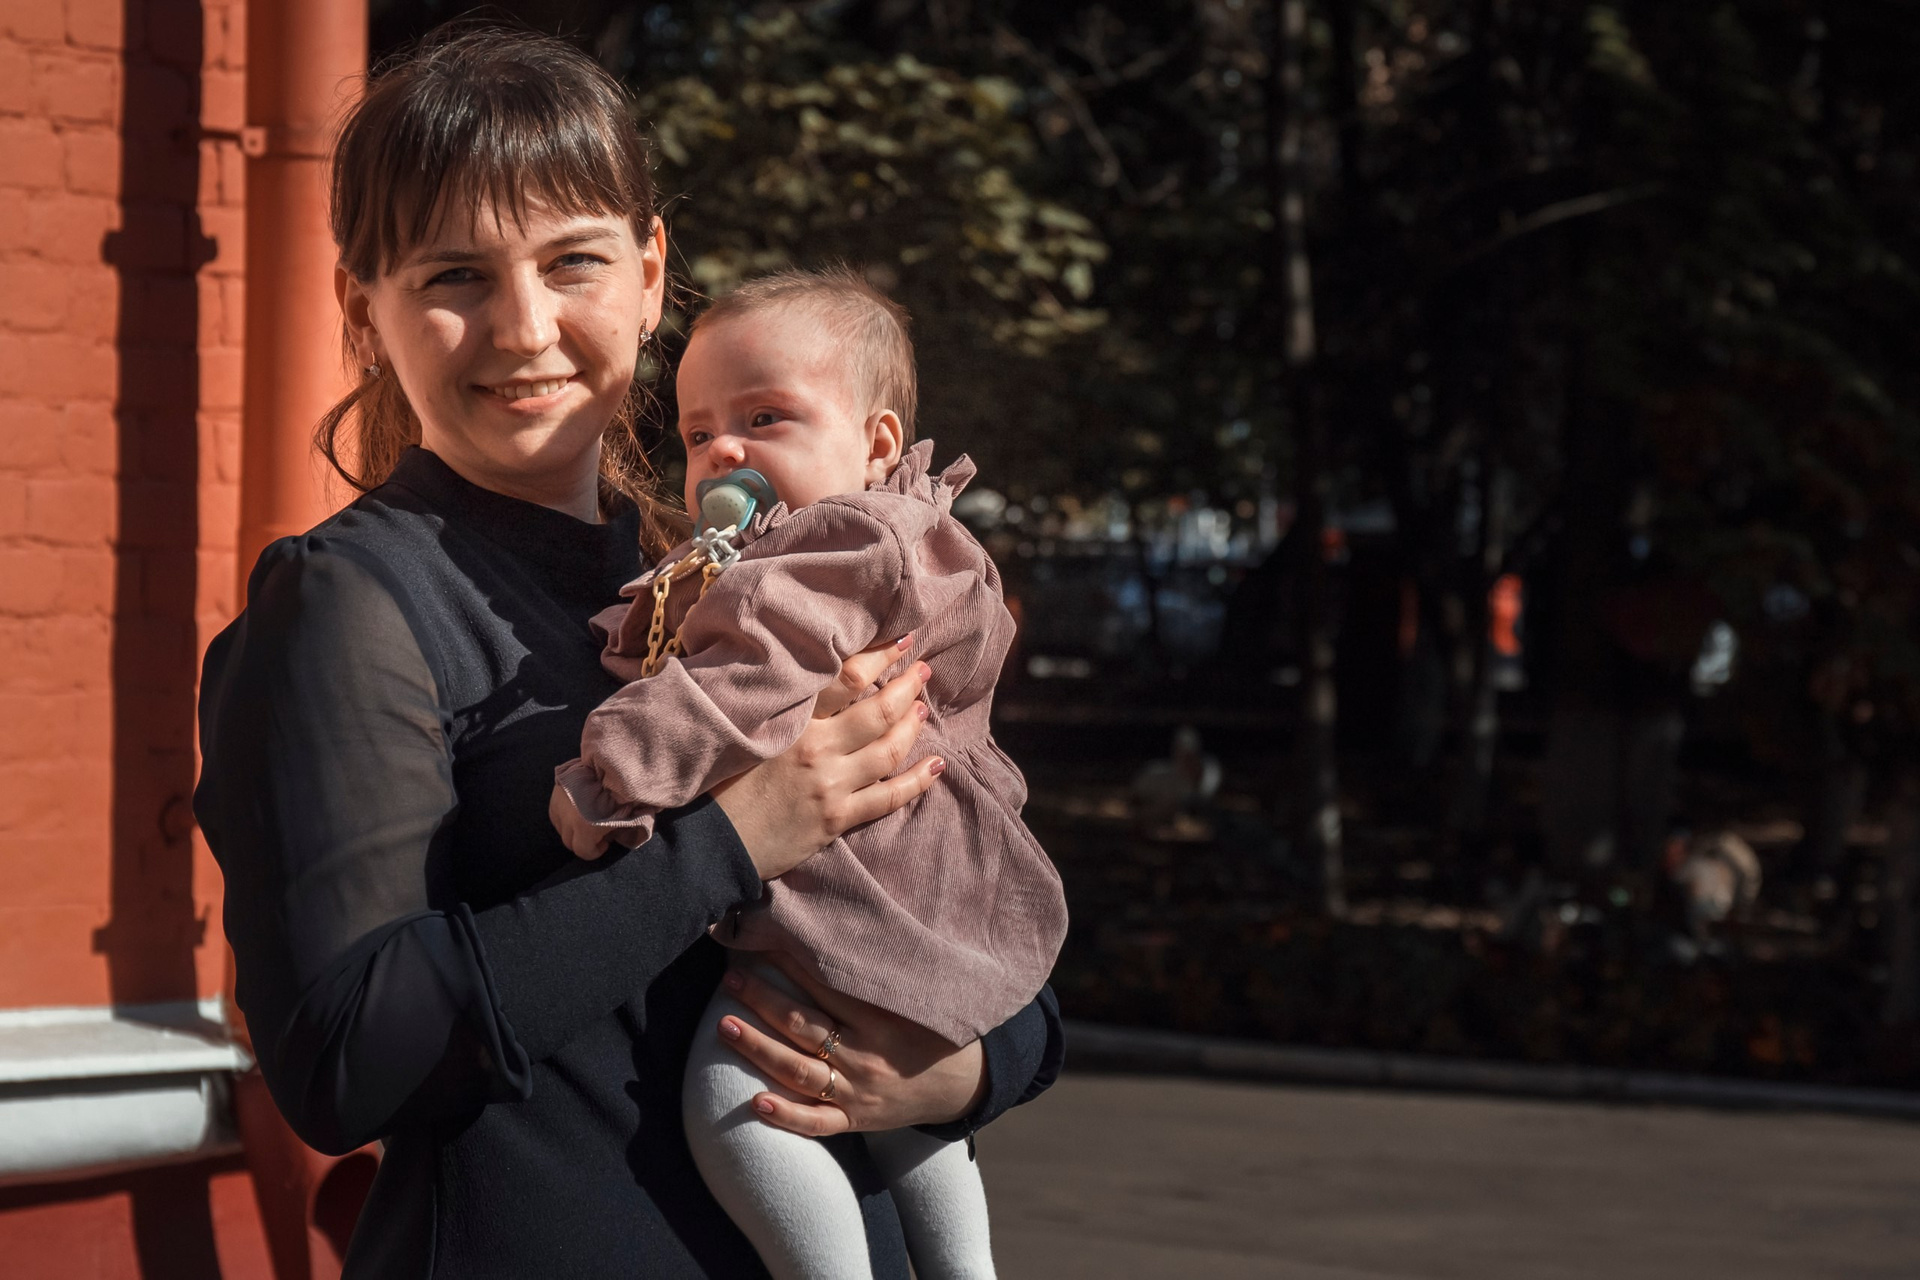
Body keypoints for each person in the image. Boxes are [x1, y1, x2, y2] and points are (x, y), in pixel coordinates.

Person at [192, 29, 1064, 1279]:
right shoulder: (346, 607)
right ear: (362, 308)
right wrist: (732, 840)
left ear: (652, 276)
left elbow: (953, 868)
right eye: (454, 275)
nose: (524, 327)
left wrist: (969, 1067)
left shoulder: (745, 576)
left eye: (574, 261)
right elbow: (344, 1057)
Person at [549, 267, 1069, 1279]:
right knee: (911, 1122)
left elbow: (739, 682)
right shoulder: (903, 542)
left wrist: (613, 773)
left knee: (738, 1102)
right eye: (699, 432)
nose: (724, 452)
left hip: (857, 897)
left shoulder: (835, 545)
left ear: (876, 443)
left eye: (765, 417)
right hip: (929, 895)